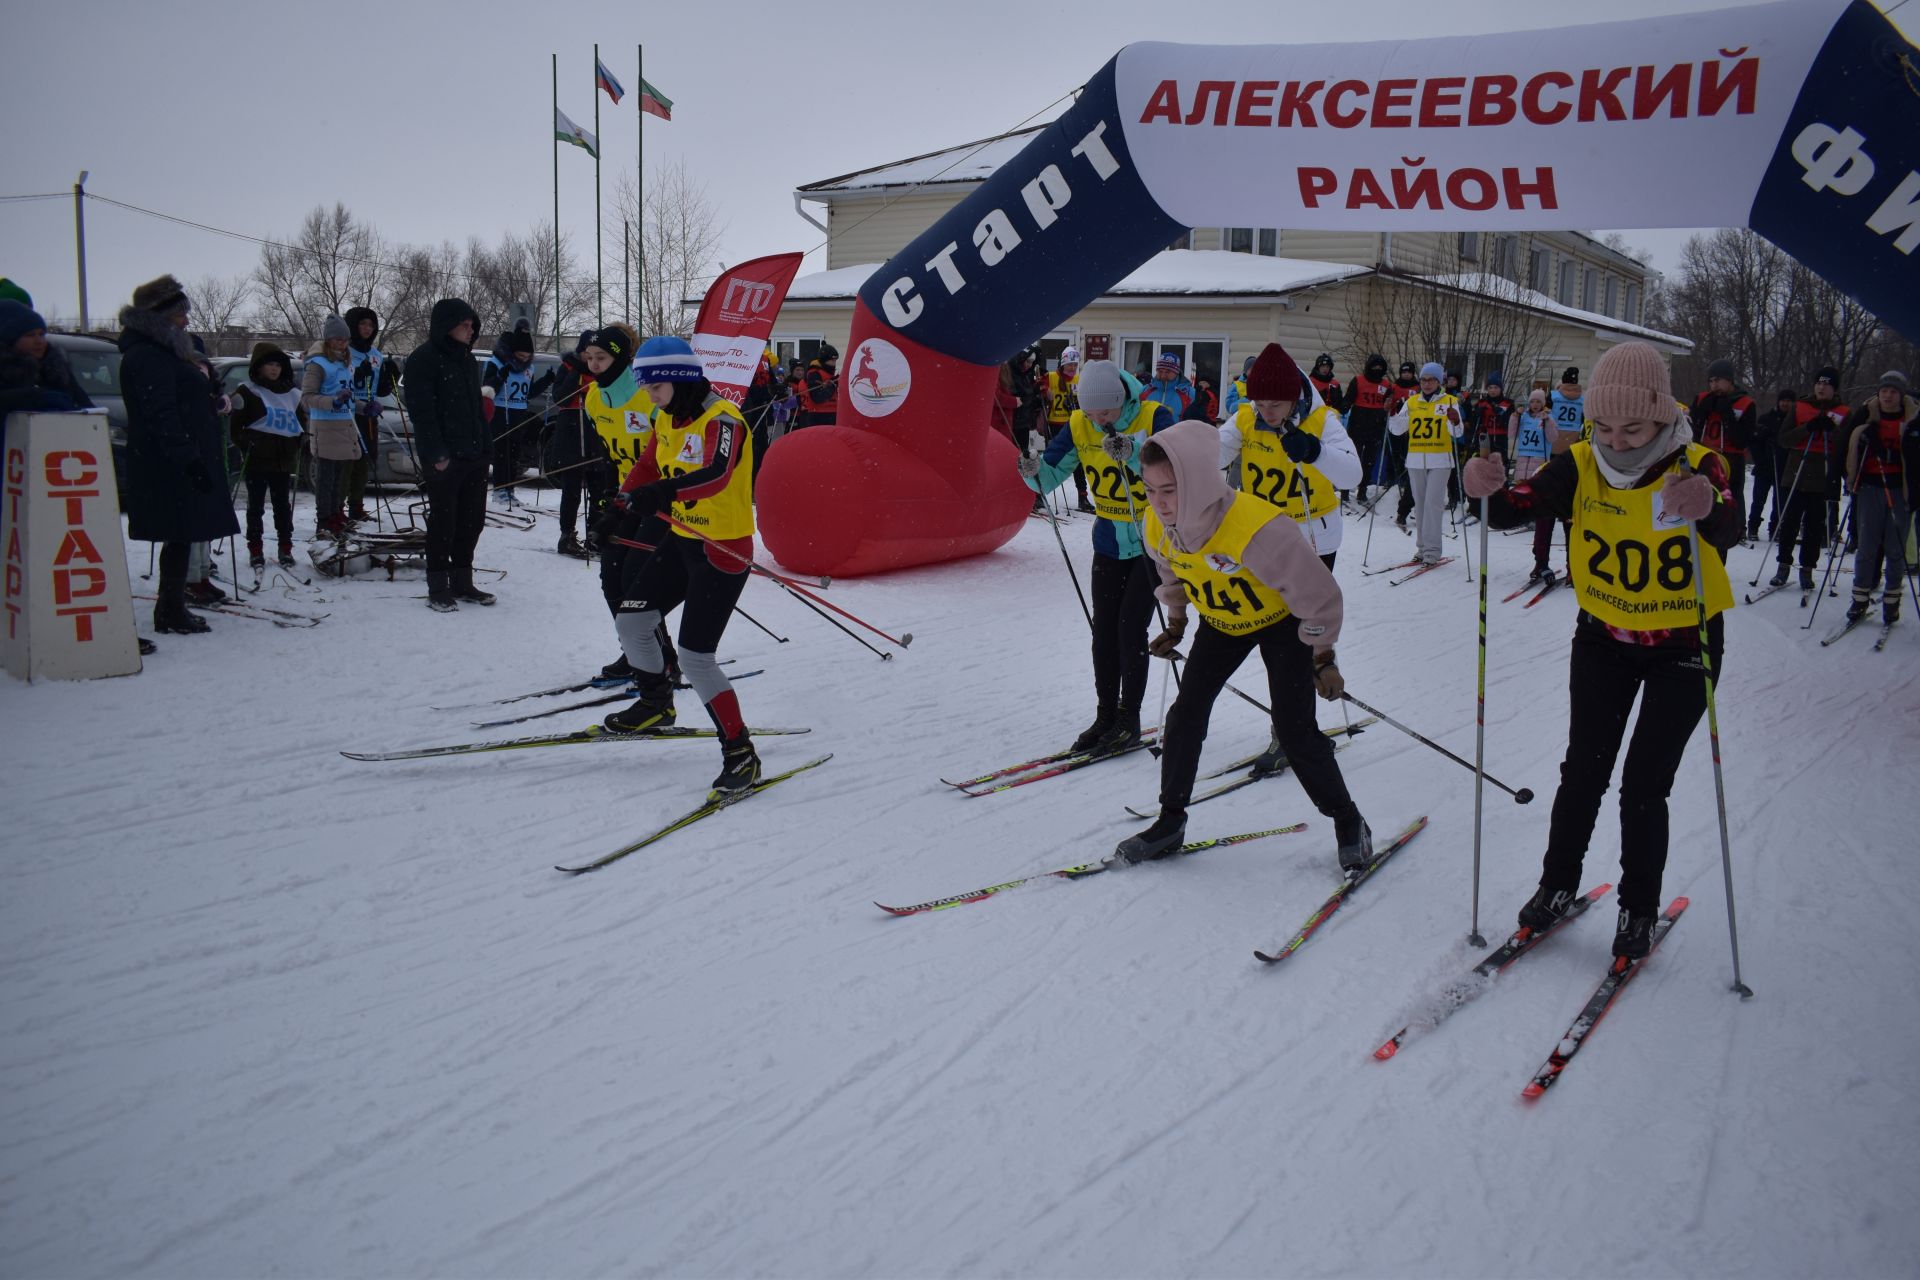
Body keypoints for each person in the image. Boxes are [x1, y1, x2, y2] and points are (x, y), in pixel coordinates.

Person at [1462, 340, 1739, 960]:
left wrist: (1709, 506)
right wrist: (1487, 487)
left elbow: (1730, 525)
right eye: (1604, 425)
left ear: (1664, 416)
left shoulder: (1696, 462)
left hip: (1684, 645)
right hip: (1604, 638)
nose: (1616, 440)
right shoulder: (1582, 461)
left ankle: (1639, 908)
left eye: (1633, 427)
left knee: (1644, 783)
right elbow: (1516, 509)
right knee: (1583, 768)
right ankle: (1557, 885)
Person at [1115, 420, 1369, 871]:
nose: (1158, 502)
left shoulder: (1258, 528)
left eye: (1169, 490)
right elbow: (1172, 574)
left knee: (1294, 730)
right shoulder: (1157, 524)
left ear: (1195, 480)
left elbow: (1319, 594)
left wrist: (1323, 655)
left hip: (1281, 624)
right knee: (1186, 714)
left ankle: (1349, 820)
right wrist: (1176, 623)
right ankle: (1170, 820)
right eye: (1150, 490)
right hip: (1222, 623)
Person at [601, 335, 761, 797]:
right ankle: (655, 705)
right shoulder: (668, 417)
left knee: (696, 658)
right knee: (631, 621)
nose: (650, 396)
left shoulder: (723, 417)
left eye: (655, 387)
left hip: (722, 551)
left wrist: (662, 495)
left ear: (679, 378)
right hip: (682, 539)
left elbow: (717, 473)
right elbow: (649, 465)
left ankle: (741, 754)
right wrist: (620, 506)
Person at [1217, 341, 1361, 774]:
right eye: (1260, 401)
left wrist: (1314, 452)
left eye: (1276, 402)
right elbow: (1209, 457)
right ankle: (1293, 728)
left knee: (1300, 635)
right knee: (1279, 642)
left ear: (1294, 396)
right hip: (1263, 537)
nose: (1267, 410)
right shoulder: (1244, 419)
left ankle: (1298, 725)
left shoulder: (1322, 419)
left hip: (1314, 536)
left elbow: (1353, 472)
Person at [1019, 359, 1174, 754]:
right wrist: (1031, 470)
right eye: (1091, 412)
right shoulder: (1079, 424)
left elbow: (1178, 473)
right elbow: (1050, 475)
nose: (1098, 419)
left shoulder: (1156, 416)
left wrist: (1137, 452)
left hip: (1152, 542)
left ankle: (1129, 719)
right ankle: (1105, 716)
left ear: (1121, 399)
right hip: (1107, 539)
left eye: (1105, 412)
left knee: (1129, 629)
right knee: (1102, 632)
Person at [116, 275, 239, 634]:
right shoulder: (146, 356)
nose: (186, 320)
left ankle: (172, 606)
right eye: (180, 314)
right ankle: (170, 610)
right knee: (178, 531)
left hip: (181, 456)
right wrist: (188, 458)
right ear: (159, 316)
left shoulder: (167, 352)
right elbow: (160, 413)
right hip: (167, 461)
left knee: (182, 534)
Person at [403, 298, 493, 611]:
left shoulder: (468, 361)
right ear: (447, 325)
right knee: (444, 522)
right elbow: (422, 412)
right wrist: (437, 453)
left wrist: (485, 446)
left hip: (474, 455)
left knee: (473, 521)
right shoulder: (423, 359)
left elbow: (476, 410)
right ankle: (438, 585)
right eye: (464, 325)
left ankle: (463, 581)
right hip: (443, 458)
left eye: (472, 326)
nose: (470, 331)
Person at [1841, 371, 1918, 626]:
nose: (1887, 396)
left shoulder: (1913, 419)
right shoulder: (1866, 414)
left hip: (1900, 490)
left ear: (1901, 394)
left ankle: (1892, 601)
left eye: (1893, 392)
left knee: (1895, 548)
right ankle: (1859, 598)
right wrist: (1864, 440)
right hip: (1870, 487)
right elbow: (1847, 441)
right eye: (1884, 391)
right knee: (1867, 546)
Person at [227, 342, 305, 571]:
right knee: (256, 507)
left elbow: (300, 422)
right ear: (259, 367)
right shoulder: (248, 391)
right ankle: (255, 548)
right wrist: (247, 444)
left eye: (278, 365)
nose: (274, 369)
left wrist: (297, 443)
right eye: (270, 364)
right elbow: (236, 427)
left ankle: (285, 547)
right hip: (257, 460)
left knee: (282, 507)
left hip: (282, 460)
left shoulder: (291, 393)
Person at [1773, 368, 1848, 590]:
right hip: (1796, 471)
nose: (1821, 388)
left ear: (1833, 388)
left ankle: (1807, 569)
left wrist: (1832, 431)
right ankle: (1783, 566)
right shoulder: (1800, 406)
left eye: (1826, 384)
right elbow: (1784, 439)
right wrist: (1808, 428)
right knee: (1789, 524)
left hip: (1822, 474)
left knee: (1814, 527)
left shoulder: (1843, 412)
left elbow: (1845, 445)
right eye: (1818, 383)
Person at [1386, 362, 1463, 564]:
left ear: (1439, 381)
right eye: (1423, 380)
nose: (1427, 384)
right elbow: (1397, 430)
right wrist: (1393, 413)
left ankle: (1433, 551)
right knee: (1420, 505)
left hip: (1440, 460)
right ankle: (1422, 548)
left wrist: (1455, 420)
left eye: (1431, 380)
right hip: (1416, 460)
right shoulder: (1411, 402)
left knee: (1433, 504)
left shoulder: (1449, 401)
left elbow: (1457, 432)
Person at [547, 330, 607, 558]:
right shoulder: (568, 367)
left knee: (599, 487)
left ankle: (596, 534)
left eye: (595, 354)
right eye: (586, 353)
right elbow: (559, 397)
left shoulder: (602, 370)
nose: (590, 359)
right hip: (571, 428)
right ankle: (567, 536)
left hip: (596, 430)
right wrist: (576, 376)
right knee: (572, 489)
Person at [301, 314, 361, 538]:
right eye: (337, 340)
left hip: (345, 424)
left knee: (340, 476)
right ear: (327, 340)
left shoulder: (346, 362)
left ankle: (337, 512)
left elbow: (349, 395)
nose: (342, 344)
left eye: (345, 340)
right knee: (326, 477)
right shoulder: (317, 363)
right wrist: (332, 401)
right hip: (325, 425)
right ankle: (324, 519)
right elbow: (307, 398)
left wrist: (364, 407)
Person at [483, 324, 554, 506]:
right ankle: (499, 491)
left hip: (518, 414)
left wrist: (546, 380)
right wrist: (499, 377)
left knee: (514, 454)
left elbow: (528, 393)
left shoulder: (528, 369)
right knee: (502, 454)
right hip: (500, 412)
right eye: (520, 356)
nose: (523, 359)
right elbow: (487, 388)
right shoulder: (496, 363)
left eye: (527, 356)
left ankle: (510, 489)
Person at [0, 300, 91, 435]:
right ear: (10, 339)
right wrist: (36, 397)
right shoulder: (5, 370)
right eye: (30, 335)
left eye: (42, 334)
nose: (39, 341)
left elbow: (84, 404)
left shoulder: (56, 367)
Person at [1690, 358, 1755, 536]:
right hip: (1705, 455)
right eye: (1711, 381)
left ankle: (1734, 529)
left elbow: (1742, 440)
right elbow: (1690, 429)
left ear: (1729, 380)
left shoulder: (1745, 403)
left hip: (1731, 459)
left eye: (1718, 380)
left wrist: (1727, 414)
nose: (1714, 385)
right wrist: (1701, 413)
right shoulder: (1703, 399)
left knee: (1730, 496)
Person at [342, 306, 394, 523]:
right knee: (348, 462)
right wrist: (356, 376)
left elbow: (380, 389)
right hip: (348, 413)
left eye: (370, 325)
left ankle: (357, 506)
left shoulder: (375, 354)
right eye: (362, 324)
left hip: (369, 413)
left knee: (365, 460)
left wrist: (389, 377)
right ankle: (337, 508)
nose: (366, 328)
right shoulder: (345, 351)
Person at [1509, 388, 1562, 581]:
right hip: (1524, 459)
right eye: (1533, 402)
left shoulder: (1548, 417)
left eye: (1538, 402)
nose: (1535, 405)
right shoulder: (1523, 417)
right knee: (1522, 490)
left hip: (1540, 460)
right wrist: (1515, 415)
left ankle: (1540, 556)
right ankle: (1524, 515)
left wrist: (1547, 421)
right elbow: (1512, 434)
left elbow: (1553, 438)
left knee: (1538, 497)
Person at [1043, 346, 1093, 512]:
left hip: (1072, 425)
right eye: (1069, 364)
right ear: (1062, 364)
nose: (1072, 368)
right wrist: (1044, 390)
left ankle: (1083, 496)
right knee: (1050, 460)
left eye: (1074, 364)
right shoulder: (1051, 377)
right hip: (1054, 424)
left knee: (1078, 462)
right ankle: (1038, 495)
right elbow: (1037, 385)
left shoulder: (1078, 380)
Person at [1343, 353, 1395, 503]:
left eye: (1380, 367)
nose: (1377, 369)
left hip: (1376, 426)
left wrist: (1390, 407)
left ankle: (1363, 490)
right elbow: (1349, 398)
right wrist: (1344, 406)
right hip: (1358, 425)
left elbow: (1389, 404)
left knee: (1369, 462)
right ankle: (1345, 490)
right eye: (1374, 367)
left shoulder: (1386, 385)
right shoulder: (1358, 381)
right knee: (1353, 459)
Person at [1748, 388, 1794, 543]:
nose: (1785, 404)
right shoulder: (1766, 418)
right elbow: (1754, 442)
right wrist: (1760, 459)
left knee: (1780, 501)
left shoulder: (1794, 421)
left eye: (1788, 401)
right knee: (1758, 499)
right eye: (1783, 400)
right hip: (1764, 467)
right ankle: (1753, 526)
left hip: (1784, 468)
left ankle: (1775, 528)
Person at [1143, 350, 1194, 418]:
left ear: (1176, 372)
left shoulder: (1190, 393)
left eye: (1167, 372)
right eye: (1160, 371)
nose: (1163, 375)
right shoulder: (1145, 390)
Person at [802, 343, 839, 427]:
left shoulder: (830, 374)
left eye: (835, 360)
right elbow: (817, 397)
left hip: (833, 413)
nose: (834, 363)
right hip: (818, 415)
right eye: (832, 360)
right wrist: (833, 385)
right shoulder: (814, 373)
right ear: (824, 360)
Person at [1221, 353, 1257, 420]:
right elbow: (1231, 408)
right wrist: (1247, 399)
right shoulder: (1236, 385)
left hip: (1258, 424)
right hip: (1241, 423)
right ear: (1246, 371)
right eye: (1252, 369)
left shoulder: (1262, 385)